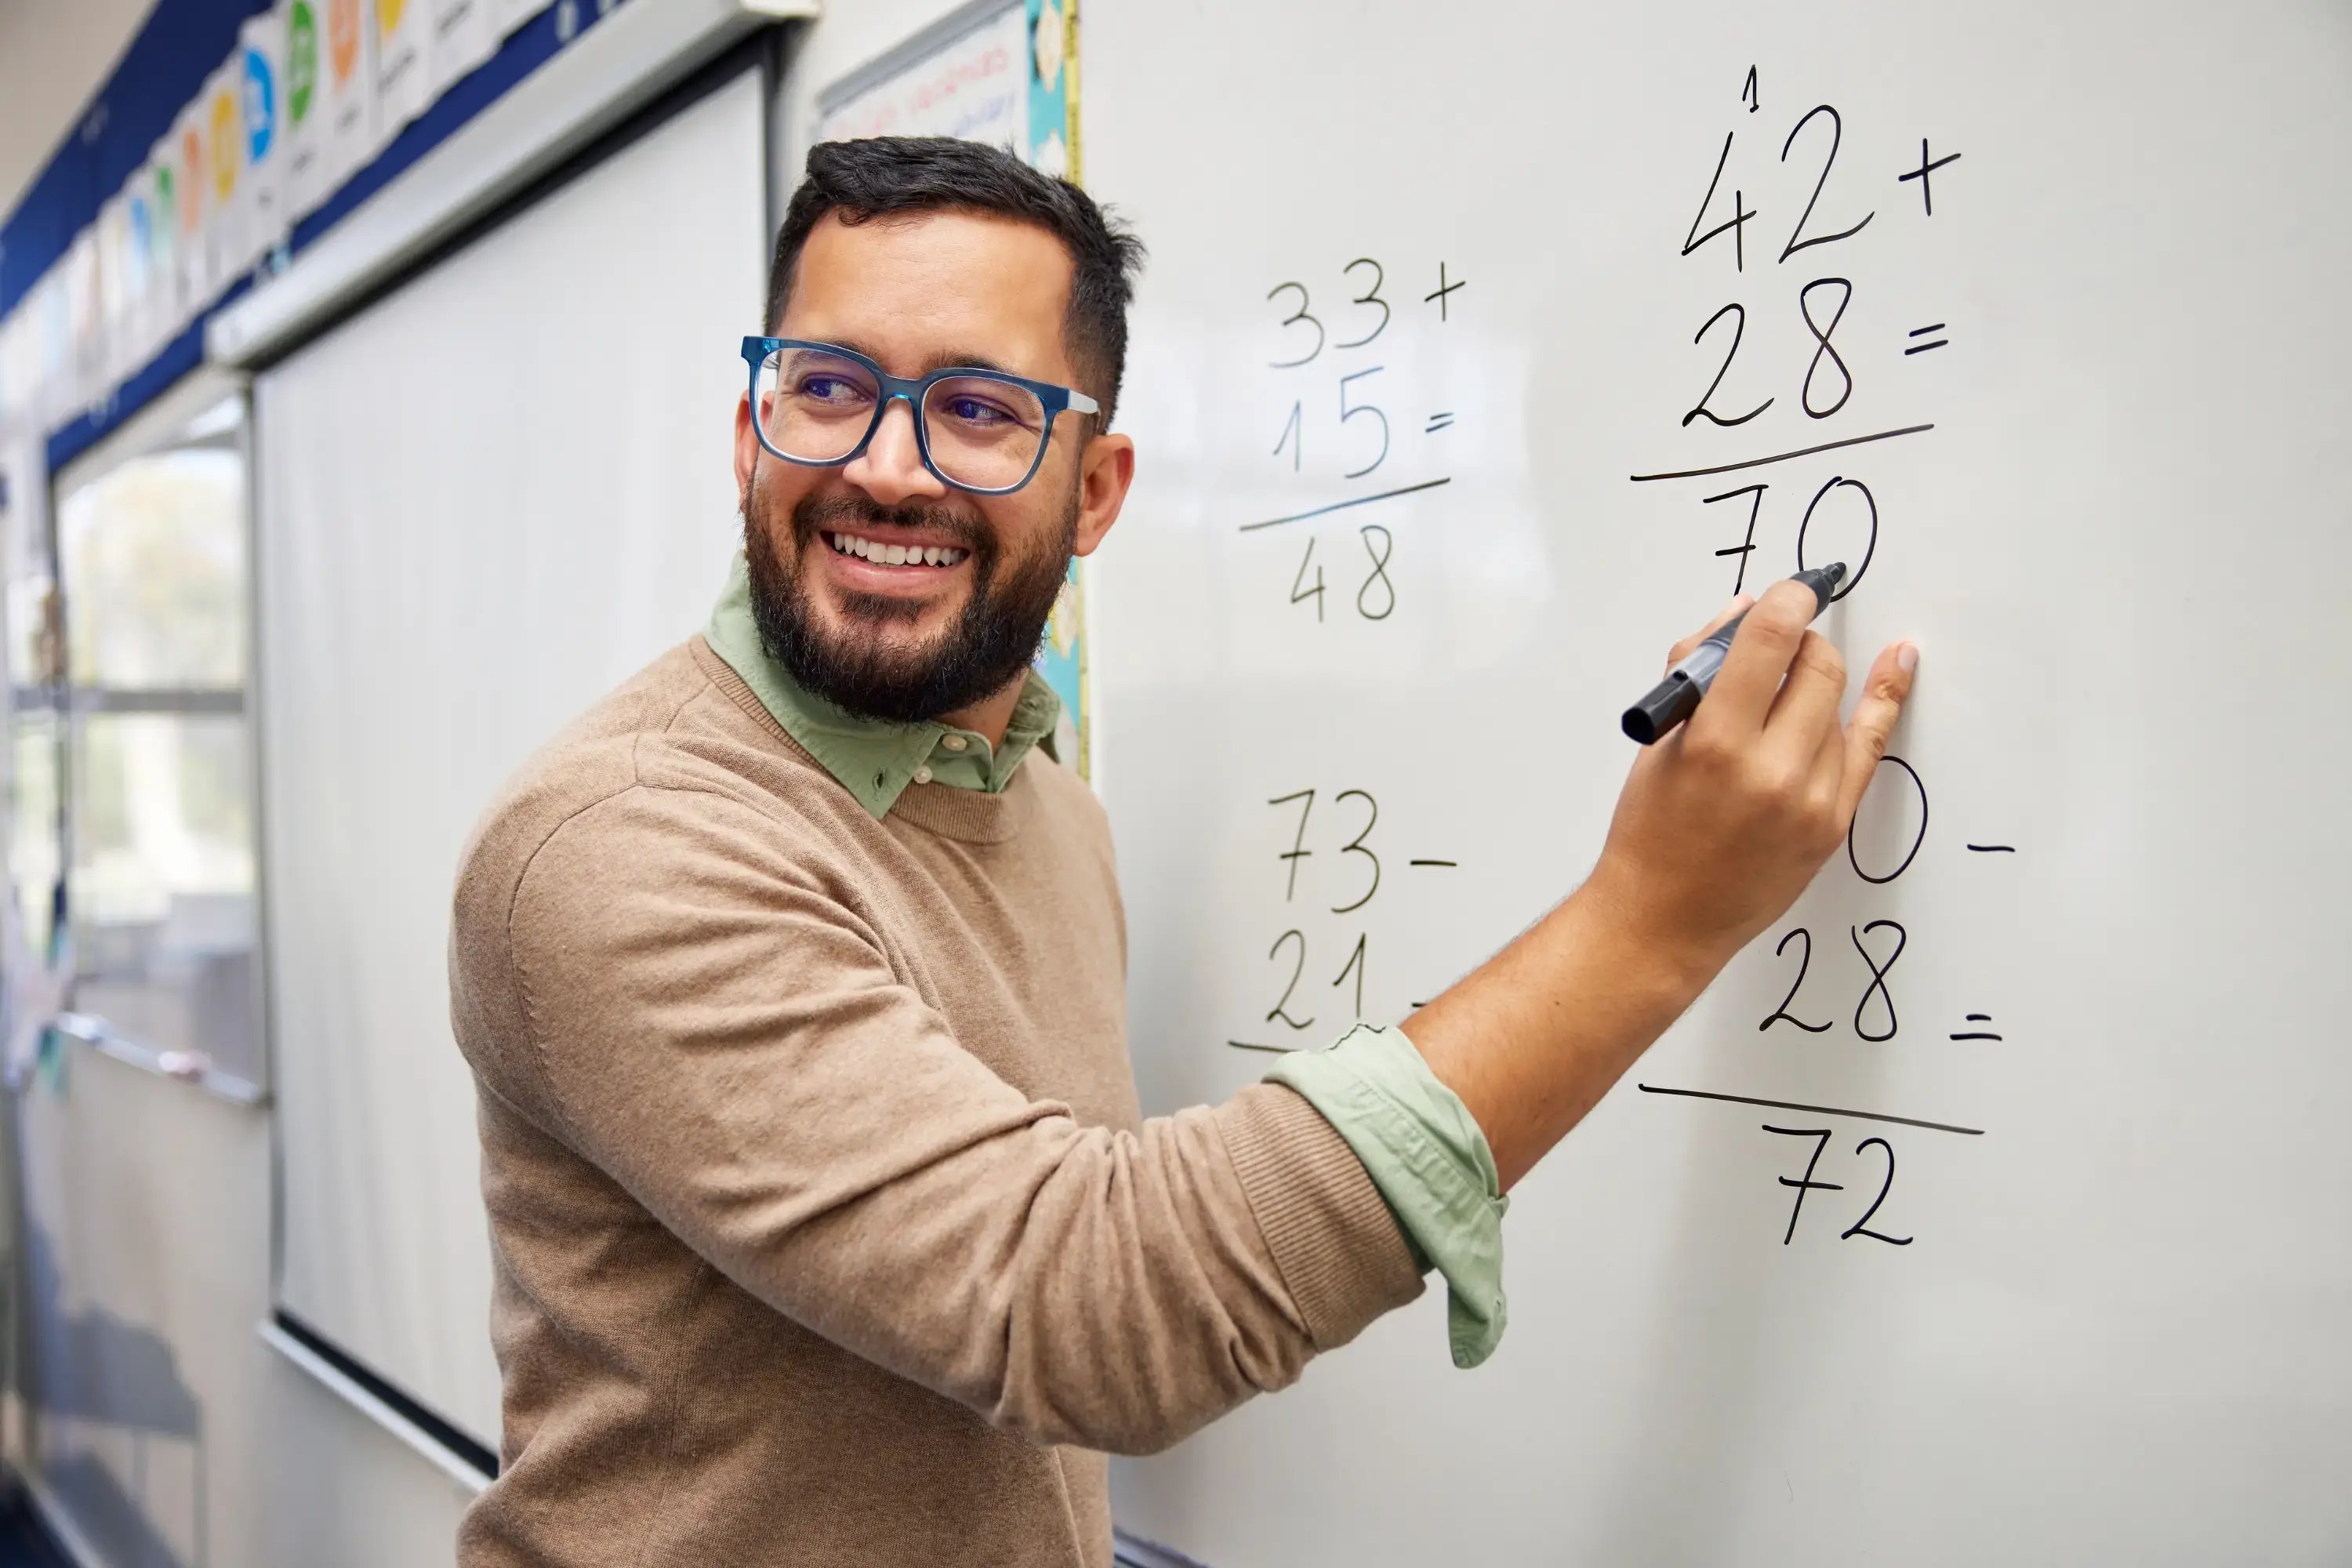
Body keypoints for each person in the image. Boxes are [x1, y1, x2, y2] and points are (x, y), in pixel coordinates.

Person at [447, 136, 1916, 1566]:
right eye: (826, 389)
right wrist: (1652, 917)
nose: (885, 469)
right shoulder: (618, 844)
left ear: (1094, 490)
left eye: (977, 410)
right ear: (748, 432)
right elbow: (1087, 1303)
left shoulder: (1048, 812)